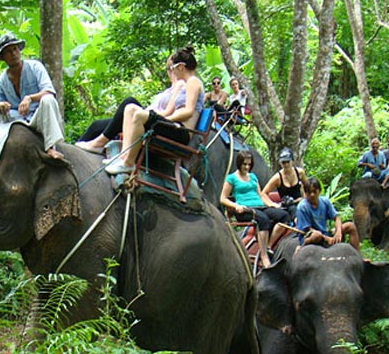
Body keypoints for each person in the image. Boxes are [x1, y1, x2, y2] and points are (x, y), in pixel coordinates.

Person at [0, 33, 64, 169]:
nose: (13, 53)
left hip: (38, 117)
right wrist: (1, 106)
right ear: (3, 57)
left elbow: (49, 91)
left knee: (48, 99)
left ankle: (50, 148)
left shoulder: (35, 67)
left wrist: (30, 98)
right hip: (16, 119)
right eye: (8, 51)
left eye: (15, 49)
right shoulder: (1, 82)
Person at [104, 46, 205, 175]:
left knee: (139, 115)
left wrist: (166, 119)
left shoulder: (193, 82)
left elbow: (188, 111)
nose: (172, 73)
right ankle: (123, 156)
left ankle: (129, 163)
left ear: (181, 67)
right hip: (174, 125)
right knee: (130, 108)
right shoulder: (188, 83)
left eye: (173, 69)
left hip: (182, 131)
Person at [75, 56, 185, 154]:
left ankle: (99, 143)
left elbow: (169, 111)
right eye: (168, 69)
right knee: (97, 125)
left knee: (129, 102)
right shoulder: (169, 89)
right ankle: (75, 151)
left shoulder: (180, 84)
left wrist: (146, 114)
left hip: (154, 120)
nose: (169, 72)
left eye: (170, 68)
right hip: (147, 115)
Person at [220, 151, 291, 268]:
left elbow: (261, 195)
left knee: (283, 215)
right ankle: (264, 256)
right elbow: (222, 198)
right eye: (244, 164)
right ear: (239, 164)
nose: (247, 167)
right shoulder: (231, 178)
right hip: (244, 210)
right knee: (263, 220)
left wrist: (272, 204)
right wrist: (235, 206)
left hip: (260, 206)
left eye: (249, 164)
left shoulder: (253, 177)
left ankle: (268, 245)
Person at [296, 177, 360, 251]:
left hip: (325, 232)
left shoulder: (325, 201)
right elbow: (308, 229)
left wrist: (338, 231)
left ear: (319, 191)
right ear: (305, 193)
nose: (312, 195)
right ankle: (300, 248)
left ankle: (358, 255)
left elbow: (336, 218)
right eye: (309, 192)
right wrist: (326, 238)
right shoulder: (302, 207)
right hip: (310, 235)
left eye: (314, 191)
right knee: (317, 235)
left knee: (350, 226)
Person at [262, 148, 308, 221]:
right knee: (295, 211)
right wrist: (272, 204)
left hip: (300, 202)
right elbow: (263, 193)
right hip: (288, 206)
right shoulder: (277, 178)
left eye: (288, 162)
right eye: (283, 162)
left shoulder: (299, 172)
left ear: (292, 161)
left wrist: (305, 197)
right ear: (280, 163)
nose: (286, 165)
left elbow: (307, 186)